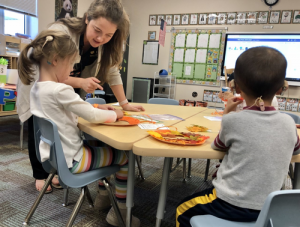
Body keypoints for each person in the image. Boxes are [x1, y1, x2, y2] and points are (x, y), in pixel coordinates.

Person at [17, 0, 144, 199]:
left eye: (109, 35)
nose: (102, 38)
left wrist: (124, 103)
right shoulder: (61, 35)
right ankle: (42, 174)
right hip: (45, 85)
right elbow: (48, 70)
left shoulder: (62, 84)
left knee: (57, 126)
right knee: (41, 126)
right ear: (87, 19)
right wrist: (82, 84)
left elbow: (111, 71)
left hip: (58, 91)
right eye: (97, 30)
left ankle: (57, 167)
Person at [176, 47, 300, 226]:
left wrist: (227, 113)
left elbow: (217, 146)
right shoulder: (288, 123)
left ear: (238, 89)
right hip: (270, 208)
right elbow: (296, 149)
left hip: (230, 204)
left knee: (181, 209)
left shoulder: (233, 120)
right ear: (280, 89)